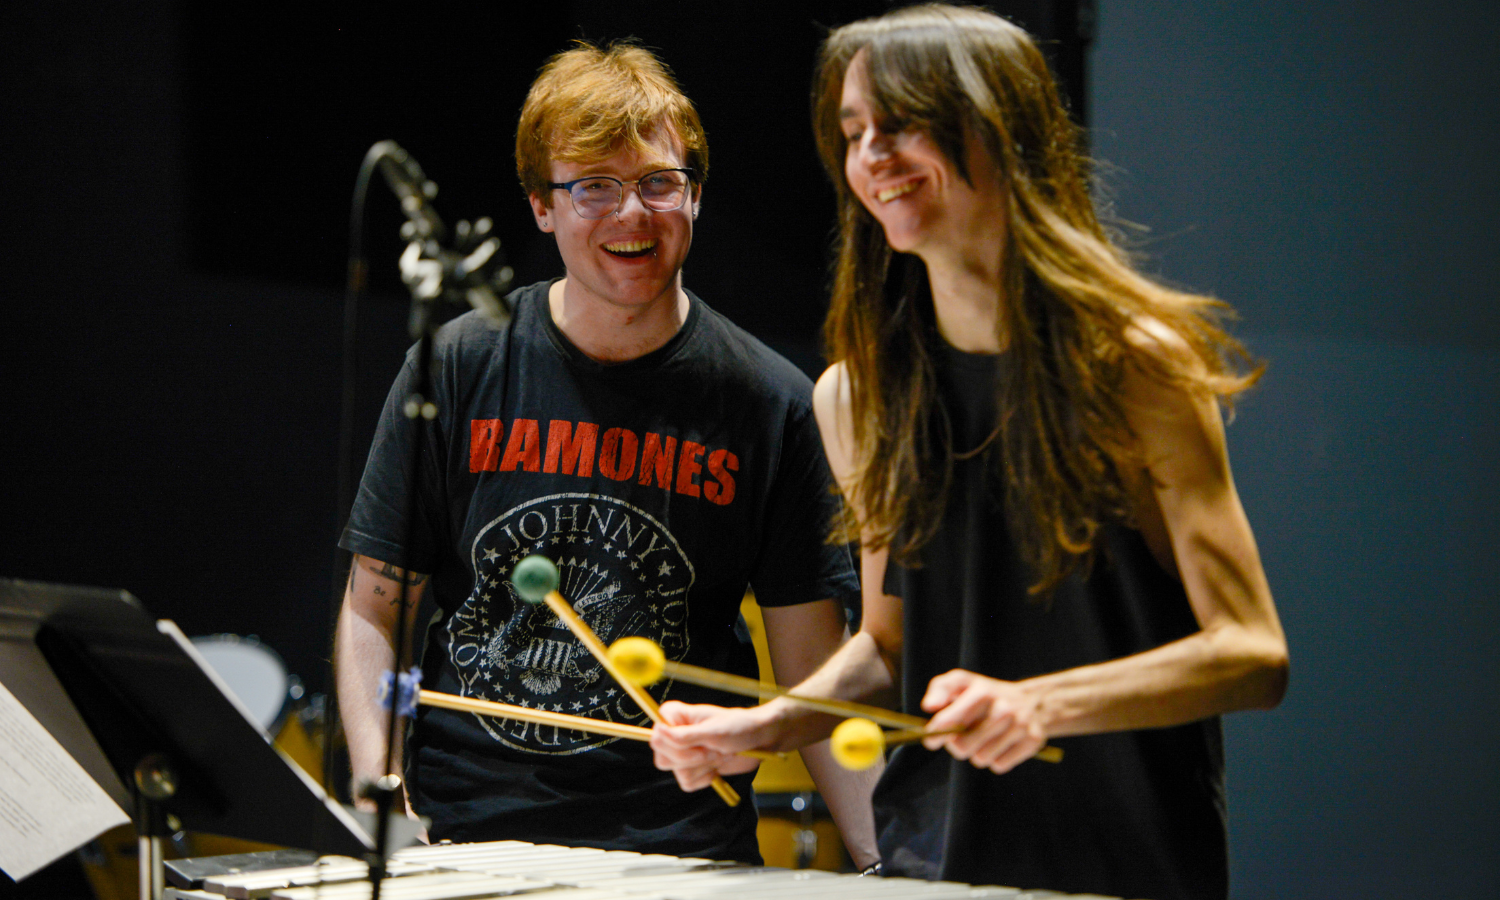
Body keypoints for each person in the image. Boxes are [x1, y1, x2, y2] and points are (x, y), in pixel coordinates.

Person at [649, 5, 1290, 899]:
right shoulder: (860, 397)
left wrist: (1039, 703)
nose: (872, 155)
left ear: (1001, 130)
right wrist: (766, 727)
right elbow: (887, 647)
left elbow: (1252, 654)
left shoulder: (1134, 368)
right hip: (939, 866)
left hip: (1130, 865)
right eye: (854, 132)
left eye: (902, 123)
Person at [335, 41, 880, 867]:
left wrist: (882, 860)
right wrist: (380, 787)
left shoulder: (771, 404)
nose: (631, 213)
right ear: (541, 206)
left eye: (659, 182)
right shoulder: (456, 366)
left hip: (679, 846)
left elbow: (812, 667)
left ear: (695, 195)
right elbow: (377, 609)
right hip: (464, 832)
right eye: (593, 186)